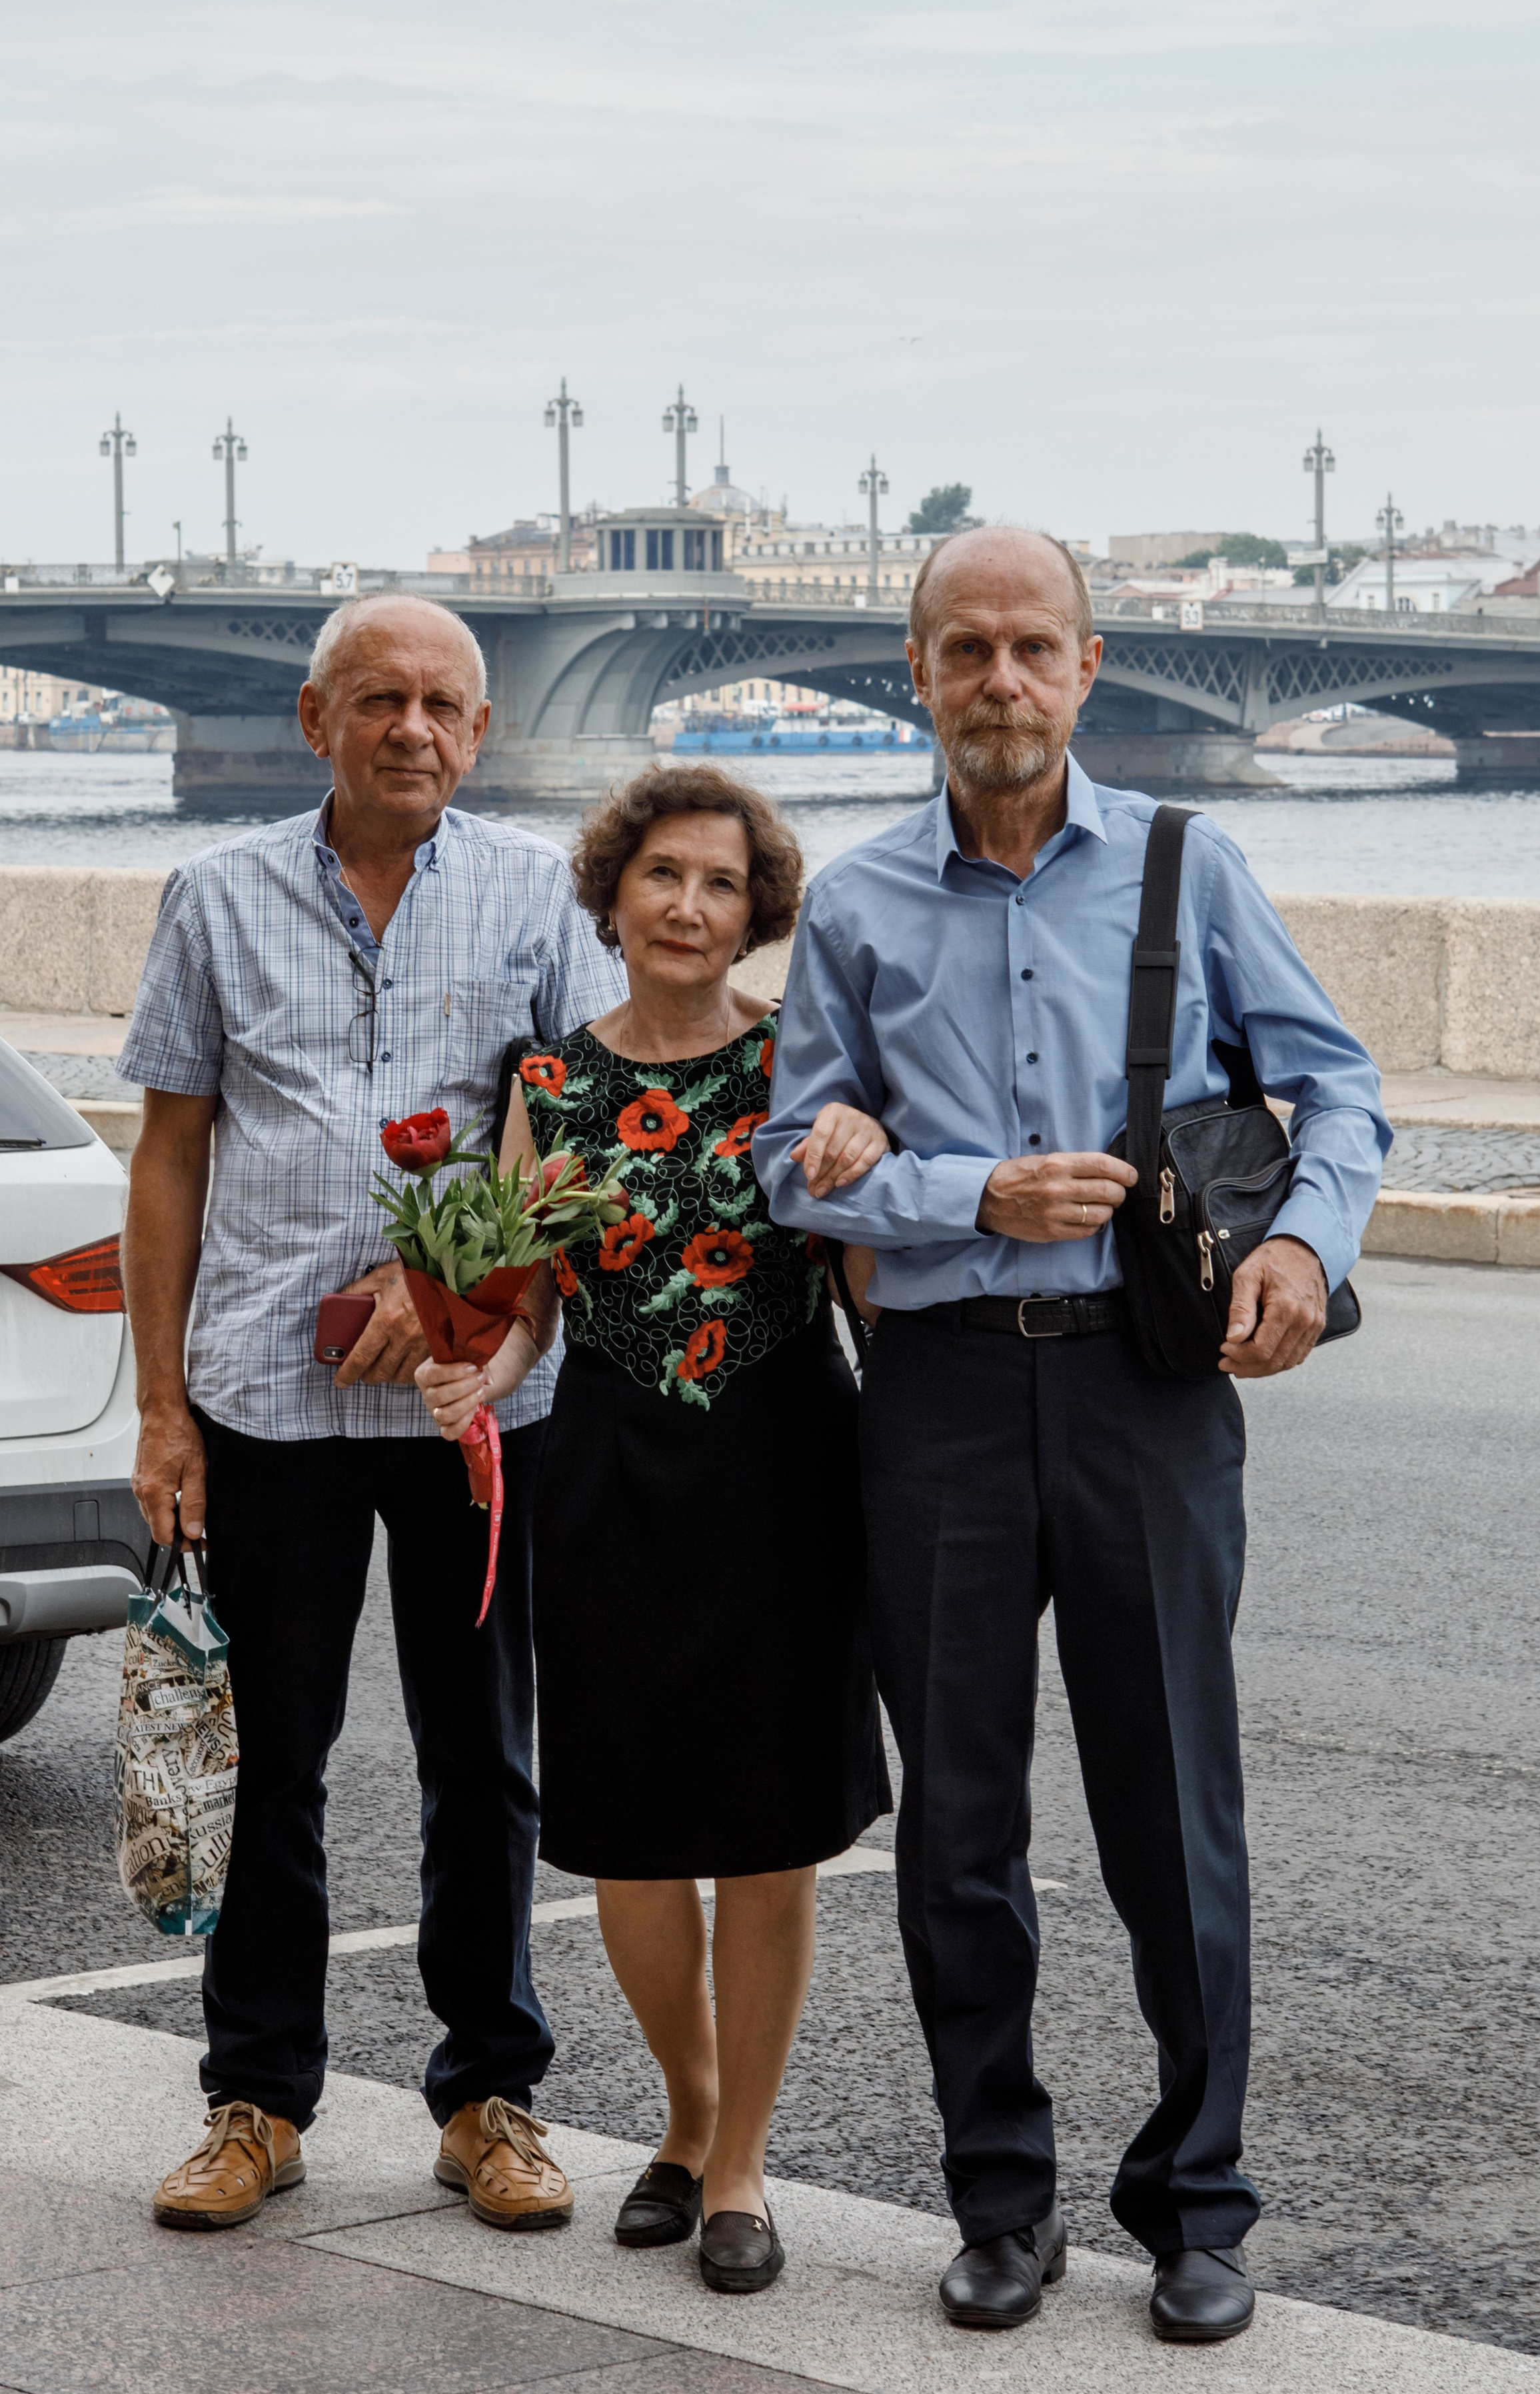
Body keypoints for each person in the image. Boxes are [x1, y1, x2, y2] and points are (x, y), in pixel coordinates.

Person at [754, 529, 1389, 2344]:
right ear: (919, 669)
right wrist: (968, 1195)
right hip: (940, 1399)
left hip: (1148, 1390)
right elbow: (797, 1160)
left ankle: (1198, 2209)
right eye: (969, 650)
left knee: (1172, 1810)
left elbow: (1335, 1086)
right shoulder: (865, 905)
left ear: (1091, 667)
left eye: (1036, 648)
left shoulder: (1195, 868)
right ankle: (1000, 2202)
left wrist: (1299, 1242)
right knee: (958, 1825)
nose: (1003, 681)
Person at [122, 591, 625, 2233]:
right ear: (314, 718)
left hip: (477, 1406)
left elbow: (569, 1143)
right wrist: (163, 1414)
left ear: (477, 735)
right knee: (273, 1759)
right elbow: (171, 1154)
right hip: (267, 1401)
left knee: (484, 1760)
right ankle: (255, 2098)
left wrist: (479, 1297)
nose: (412, 727)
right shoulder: (216, 892)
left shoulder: (538, 895)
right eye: (380, 698)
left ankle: (491, 2093)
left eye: (442, 705)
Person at [416, 762, 892, 2296]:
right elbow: (522, 1309)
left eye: (723, 883)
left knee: (768, 1838)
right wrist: (469, 1376)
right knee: (625, 1836)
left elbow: (867, 1295)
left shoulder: (805, 1070)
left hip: (784, 1467)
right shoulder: (543, 1085)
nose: (691, 904)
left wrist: (871, 1168)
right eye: (663, 875)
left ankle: (739, 2159)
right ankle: (681, 2116)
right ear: (612, 894)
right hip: (608, 1470)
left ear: (759, 912)